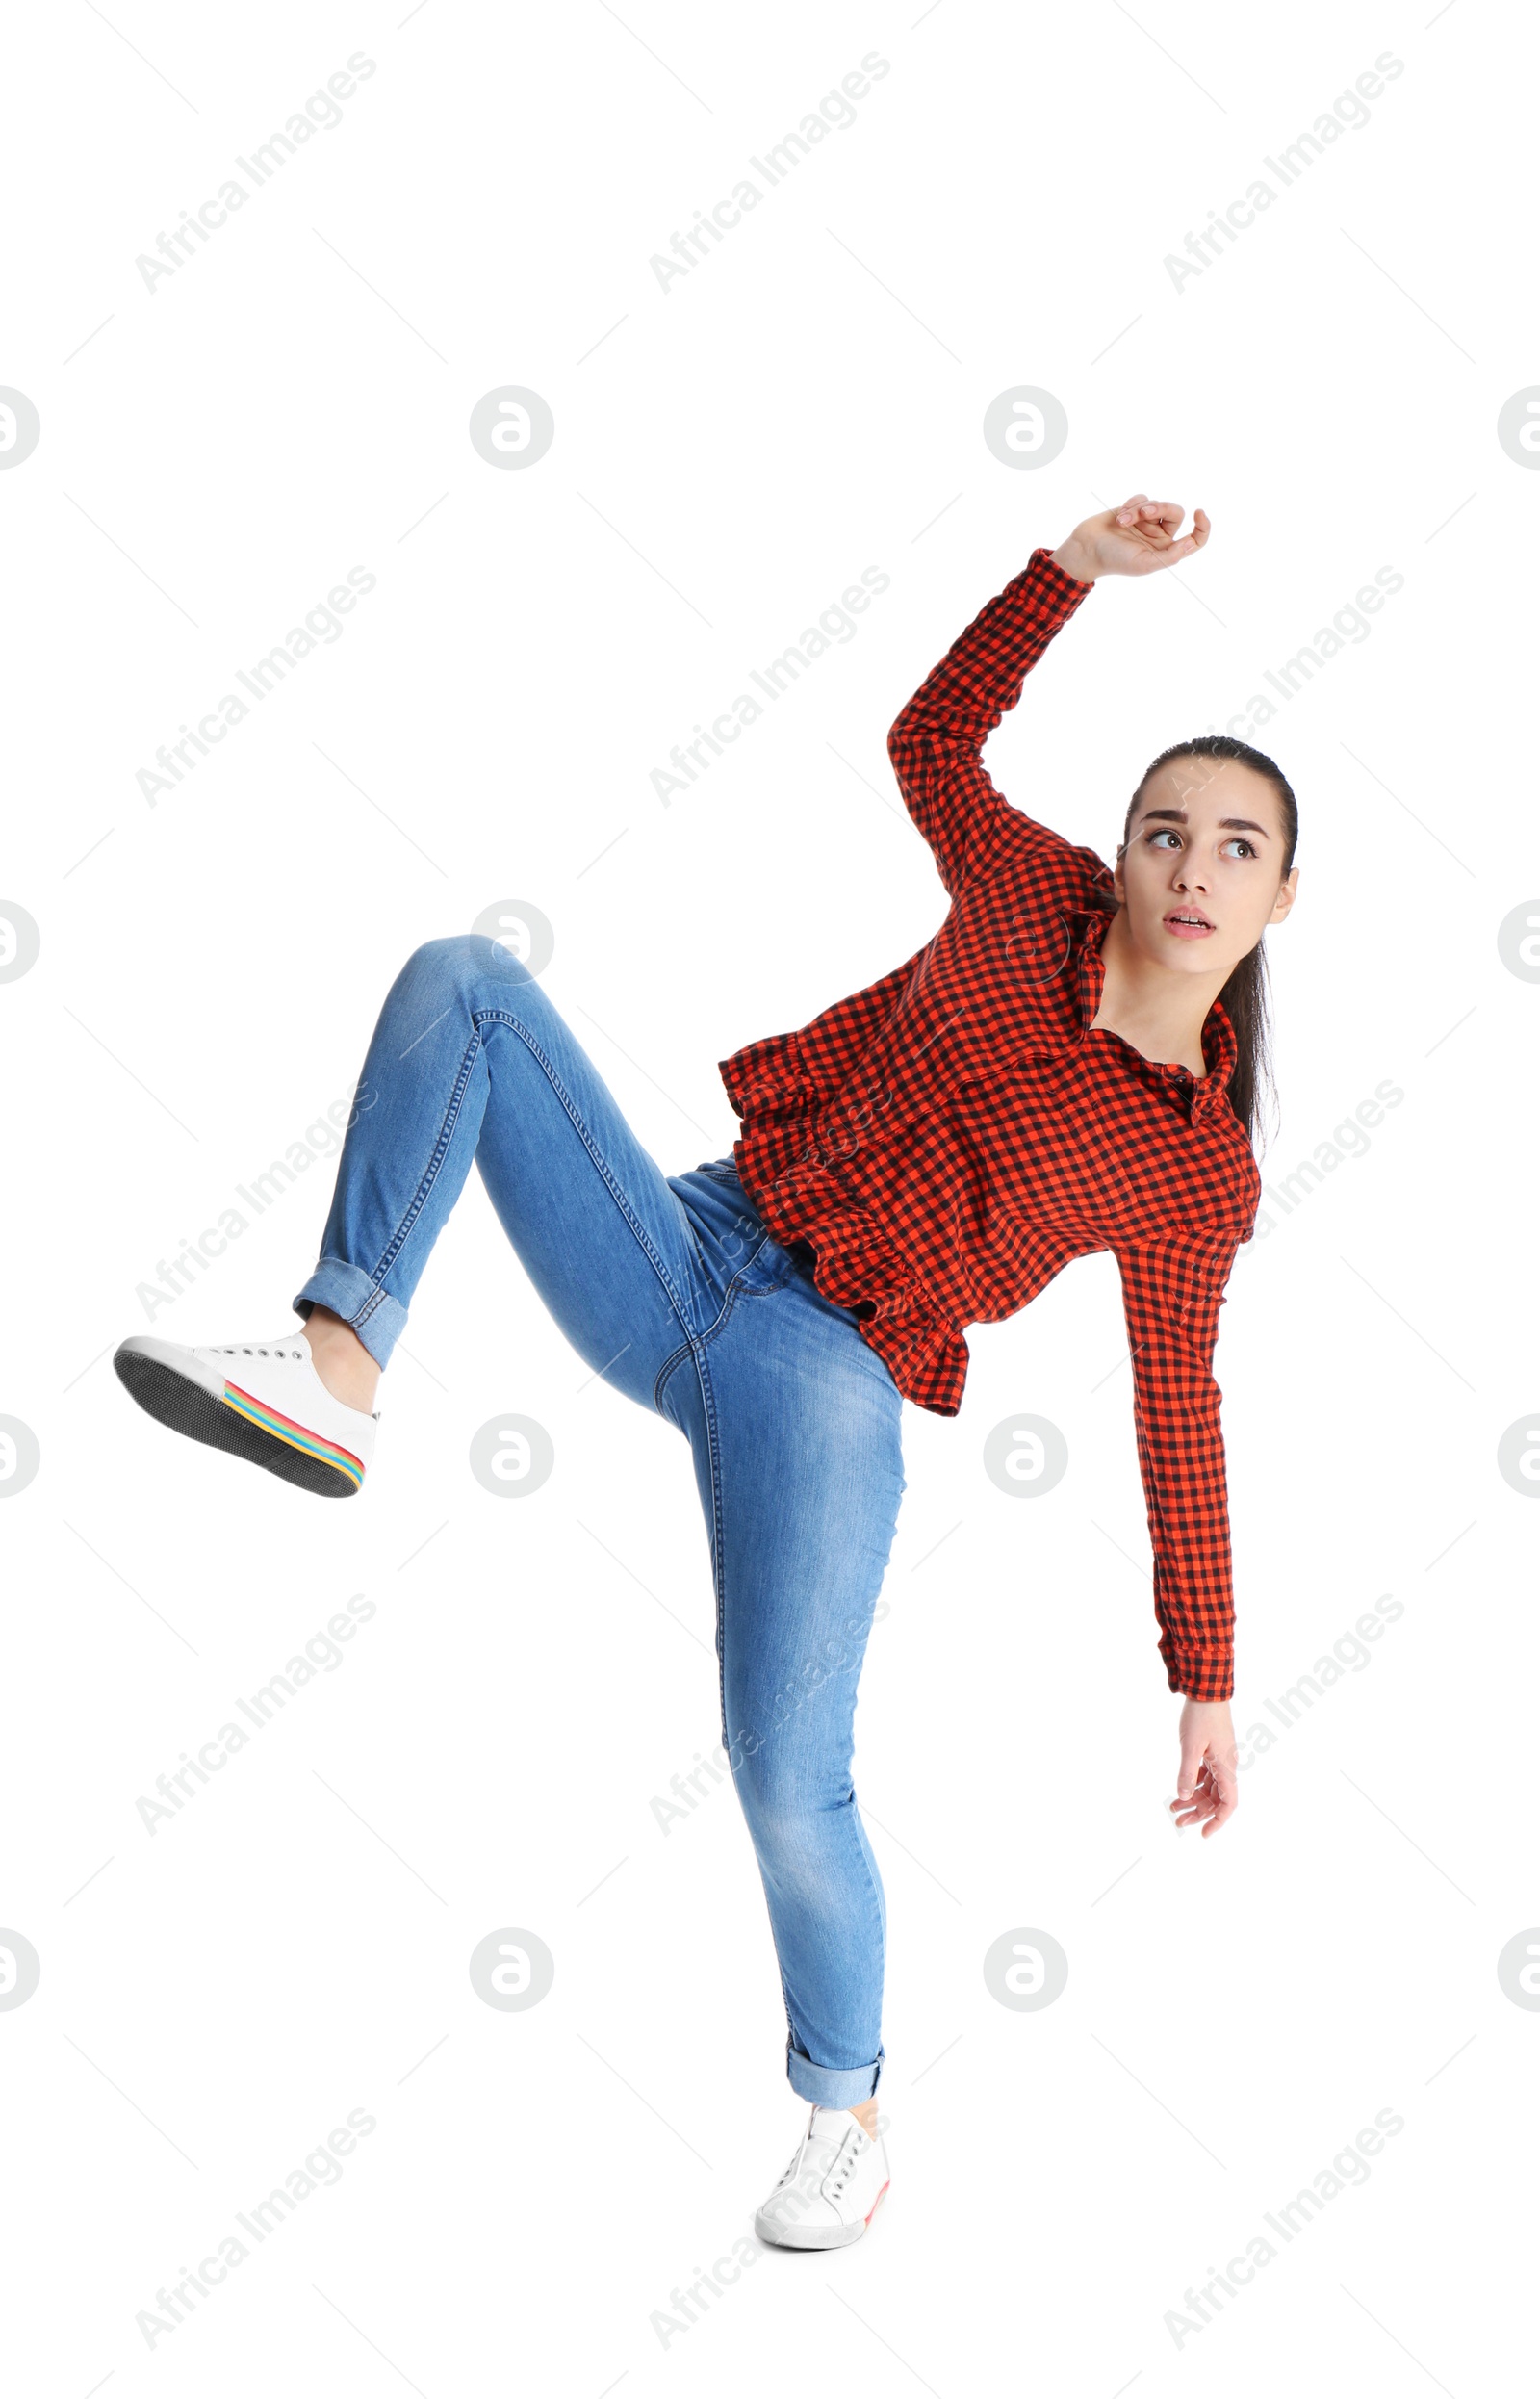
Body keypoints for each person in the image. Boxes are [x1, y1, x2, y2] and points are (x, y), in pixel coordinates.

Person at [114, 494, 1298, 2250]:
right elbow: (932, 736)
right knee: (471, 980)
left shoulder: (1196, 1163)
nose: (1191, 870)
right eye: (1164, 833)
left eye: (1234, 848)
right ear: (1120, 854)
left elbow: (1177, 1410)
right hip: (685, 1238)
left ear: (1284, 895)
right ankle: (333, 1372)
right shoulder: (1020, 893)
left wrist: (1205, 1673)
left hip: (824, 1382)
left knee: (781, 1766)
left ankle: (849, 2110)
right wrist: (1068, 576)